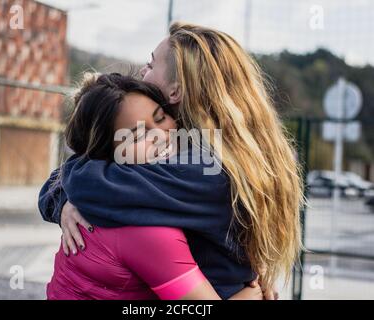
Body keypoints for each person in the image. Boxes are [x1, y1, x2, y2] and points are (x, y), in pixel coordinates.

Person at [40, 22, 304, 299]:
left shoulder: (204, 170)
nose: (143, 71)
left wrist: (69, 197)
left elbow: (91, 184)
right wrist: (64, 201)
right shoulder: (207, 147)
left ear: (176, 91)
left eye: (151, 64)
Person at [46, 73, 263, 300]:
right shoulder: (144, 226)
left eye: (160, 118)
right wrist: (252, 294)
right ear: (107, 153)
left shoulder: (104, 191)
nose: (161, 137)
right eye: (139, 136)